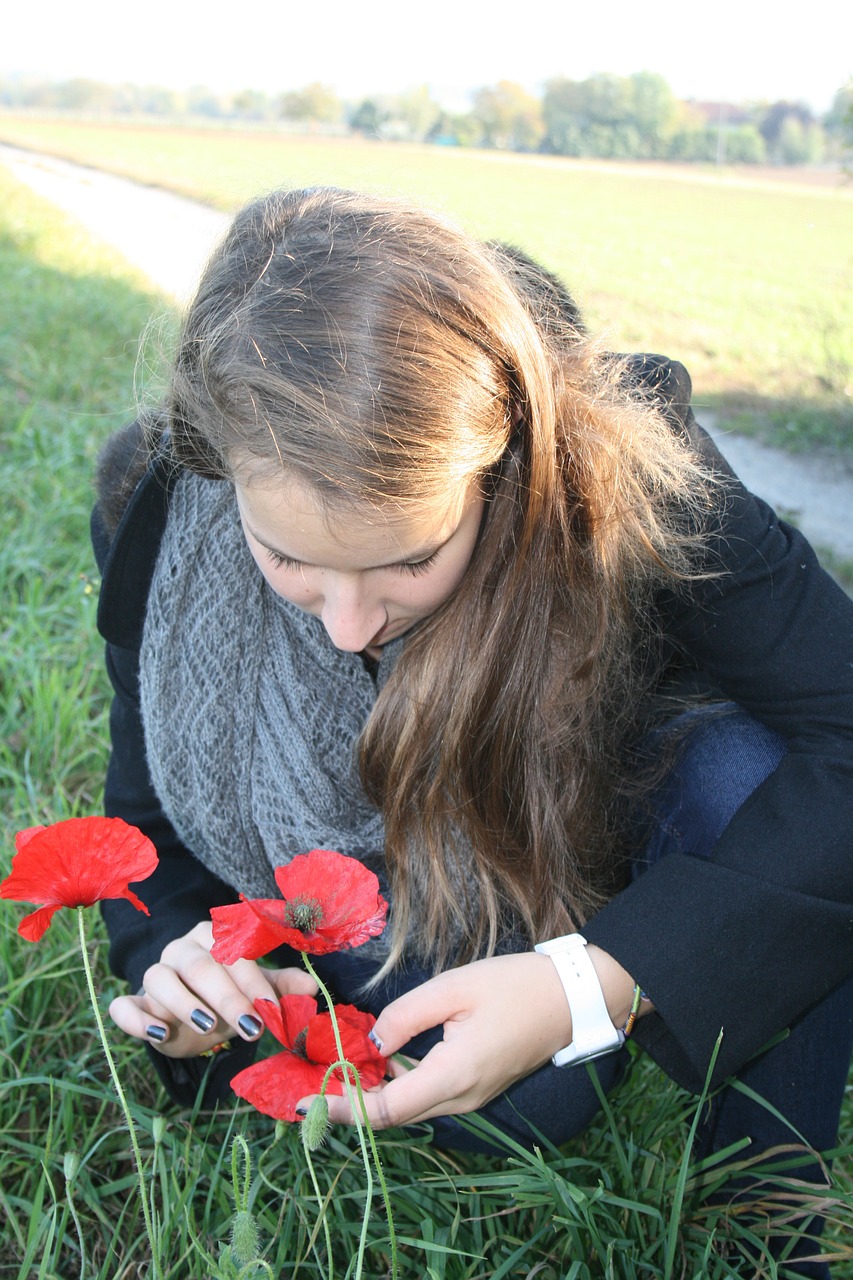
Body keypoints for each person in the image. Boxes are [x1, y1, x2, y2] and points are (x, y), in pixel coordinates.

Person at [91, 187, 853, 1276]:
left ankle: (767, 1217)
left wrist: (598, 980)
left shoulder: (631, 459)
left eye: (407, 558)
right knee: (531, 1098)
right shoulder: (160, 509)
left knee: (749, 770)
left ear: (489, 470)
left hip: (588, 816)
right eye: (290, 555)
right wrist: (178, 952)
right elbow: (149, 815)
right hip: (387, 875)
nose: (351, 619)